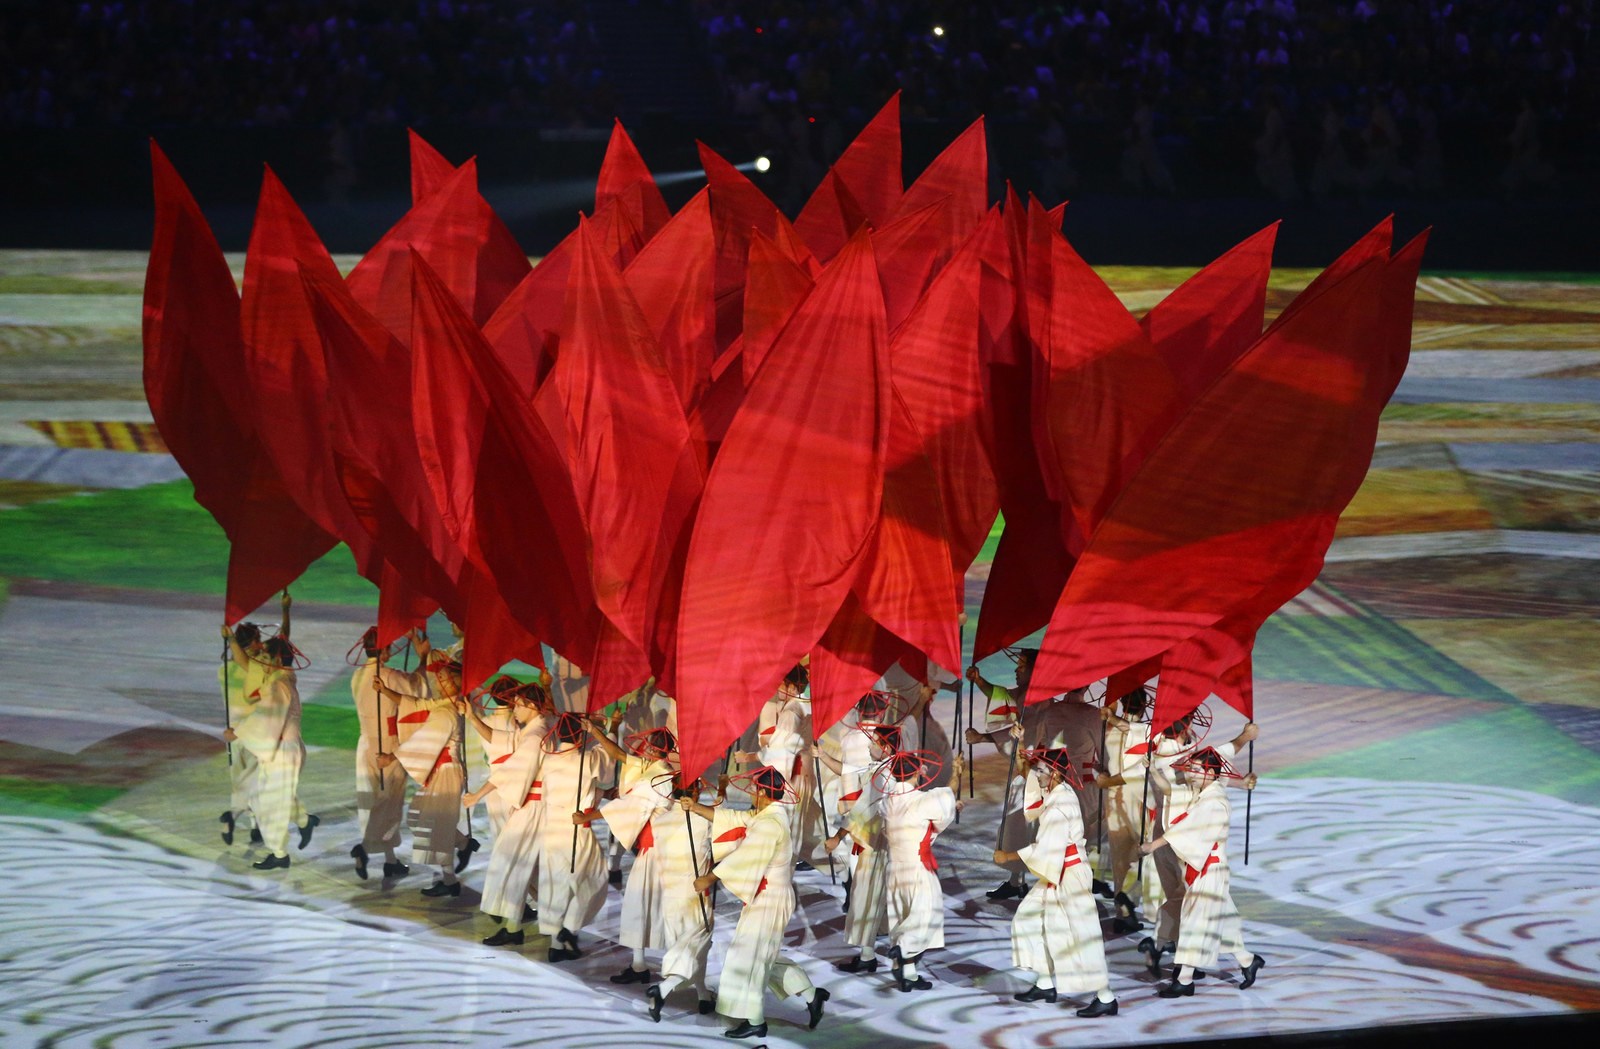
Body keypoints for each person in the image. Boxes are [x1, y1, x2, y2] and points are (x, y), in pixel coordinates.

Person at [691, 767, 829, 1039]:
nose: (753, 793)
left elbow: (746, 856)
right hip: (767, 896)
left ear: (764, 792)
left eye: (756, 789)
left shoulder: (769, 824)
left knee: (752, 957)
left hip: (771, 898)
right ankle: (812, 995)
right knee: (762, 956)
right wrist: (695, 807)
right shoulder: (768, 815)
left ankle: (756, 1020)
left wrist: (709, 878)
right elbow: (734, 819)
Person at [993, 747, 1117, 1018]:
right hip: (1058, 870)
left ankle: (1106, 996)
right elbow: (1034, 804)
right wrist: (1025, 762)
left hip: (1069, 873)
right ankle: (1045, 983)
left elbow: (1046, 850)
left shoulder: (1060, 806)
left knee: (1081, 933)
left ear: (1056, 774)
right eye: (1037, 770)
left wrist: (1008, 857)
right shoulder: (1056, 792)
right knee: (1028, 919)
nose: (1036, 775)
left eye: (1041, 771)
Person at [1135, 710, 1257, 977]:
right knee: (1194, 909)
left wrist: (1240, 773)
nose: (1191, 774)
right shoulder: (1169, 753)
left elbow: (1209, 767)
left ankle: (1179, 967)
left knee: (1195, 913)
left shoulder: (1210, 796)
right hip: (1180, 845)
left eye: (1196, 770)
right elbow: (1183, 785)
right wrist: (1244, 741)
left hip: (1193, 854)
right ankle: (1242, 959)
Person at [463, 682, 555, 945]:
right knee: (523, 866)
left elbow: (510, 770)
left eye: (517, 704)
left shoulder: (536, 735)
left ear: (531, 706)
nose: (513, 709)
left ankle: (527, 927)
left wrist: (477, 795)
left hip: (534, 808)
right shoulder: (534, 730)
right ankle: (539, 926)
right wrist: (471, 717)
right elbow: (502, 740)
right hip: (532, 805)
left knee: (513, 862)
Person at [378, 655, 474, 897]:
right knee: (422, 819)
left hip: (447, 772)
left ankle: (450, 878)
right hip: (442, 771)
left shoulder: (447, 712)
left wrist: (391, 757)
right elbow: (417, 704)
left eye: (443, 677)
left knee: (434, 824)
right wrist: (387, 691)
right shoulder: (445, 705)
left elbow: (423, 742)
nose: (438, 680)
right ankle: (463, 844)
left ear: (455, 681)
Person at [589, 725, 679, 984]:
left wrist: (590, 816)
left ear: (653, 748)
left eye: (649, 745)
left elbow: (630, 807)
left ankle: (670, 965)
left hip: (657, 850)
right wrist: (595, 732)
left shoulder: (655, 777)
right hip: (657, 847)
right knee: (643, 905)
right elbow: (619, 755)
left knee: (645, 904)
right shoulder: (657, 769)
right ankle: (639, 964)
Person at [222, 632, 311, 871]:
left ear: (277, 660)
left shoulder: (277, 685)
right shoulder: (284, 678)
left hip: (282, 749)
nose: (262, 661)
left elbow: (265, 720)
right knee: (261, 799)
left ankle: (280, 853)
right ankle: (300, 825)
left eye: (266, 657)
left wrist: (238, 733)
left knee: (270, 802)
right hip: (283, 748)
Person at [821, 718, 901, 972]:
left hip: (875, 844)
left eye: (875, 743)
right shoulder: (888, 768)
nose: (869, 747)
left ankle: (868, 956)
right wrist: (821, 755)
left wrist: (837, 837)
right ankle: (898, 958)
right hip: (884, 843)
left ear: (886, 746)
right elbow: (848, 770)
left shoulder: (882, 776)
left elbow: (860, 811)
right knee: (880, 897)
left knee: (866, 896)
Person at [349, 626, 428, 880]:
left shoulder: (357, 676)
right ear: (382, 650)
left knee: (381, 802)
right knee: (389, 802)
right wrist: (423, 658)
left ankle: (390, 860)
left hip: (366, 743)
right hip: (387, 742)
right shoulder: (389, 676)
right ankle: (365, 847)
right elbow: (417, 688)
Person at [877, 750, 960, 991]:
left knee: (903, 915)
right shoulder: (922, 802)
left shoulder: (889, 802)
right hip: (916, 868)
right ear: (916, 773)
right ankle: (903, 947)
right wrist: (955, 773)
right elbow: (946, 796)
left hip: (895, 869)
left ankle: (909, 974)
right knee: (927, 913)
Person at [542, 713, 613, 961]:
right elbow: (607, 768)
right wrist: (608, 729)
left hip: (551, 827)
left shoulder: (548, 760)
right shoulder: (586, 759)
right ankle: (569, 928)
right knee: (594, 879)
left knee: (556, 885)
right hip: (575, 827)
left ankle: (555, 945)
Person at [1094, 687, 1154, 931]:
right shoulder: (1147, 732)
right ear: (1143, 706)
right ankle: (1132, 899)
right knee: (1146, 852)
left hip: (1113, 799)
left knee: (1120, 857)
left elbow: (1103, 766)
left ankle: (1122, 914)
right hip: (1139, 799)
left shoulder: (1109, 733)